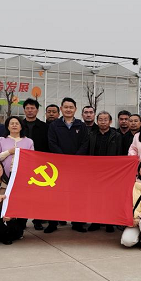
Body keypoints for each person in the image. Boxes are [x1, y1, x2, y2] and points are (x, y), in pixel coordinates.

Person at [47, 97, 89, 232]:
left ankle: (77, 223)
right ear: (61, 109)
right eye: (66, 107)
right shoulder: (54, 125)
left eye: (71, 107)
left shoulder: (81, 125)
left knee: (77, 195)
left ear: (75, 109)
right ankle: (52, 223)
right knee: (56, 195)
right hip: (58, 166)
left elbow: (85, 143)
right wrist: (64, 159)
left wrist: (75, 159)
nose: (68, 110)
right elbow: (52, 143)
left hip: (77, 167)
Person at [86, 111, 122, 232]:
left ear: (110, 121)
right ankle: (95, 221)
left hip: (110, 172)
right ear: (97, 121)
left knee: (109, 198)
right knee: (95, 197)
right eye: (100, 119)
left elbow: (120, 153)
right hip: (94, 172)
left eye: (105, 119)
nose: (103, 122)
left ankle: (109, 223)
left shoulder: (116, 136)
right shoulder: (91, 134)